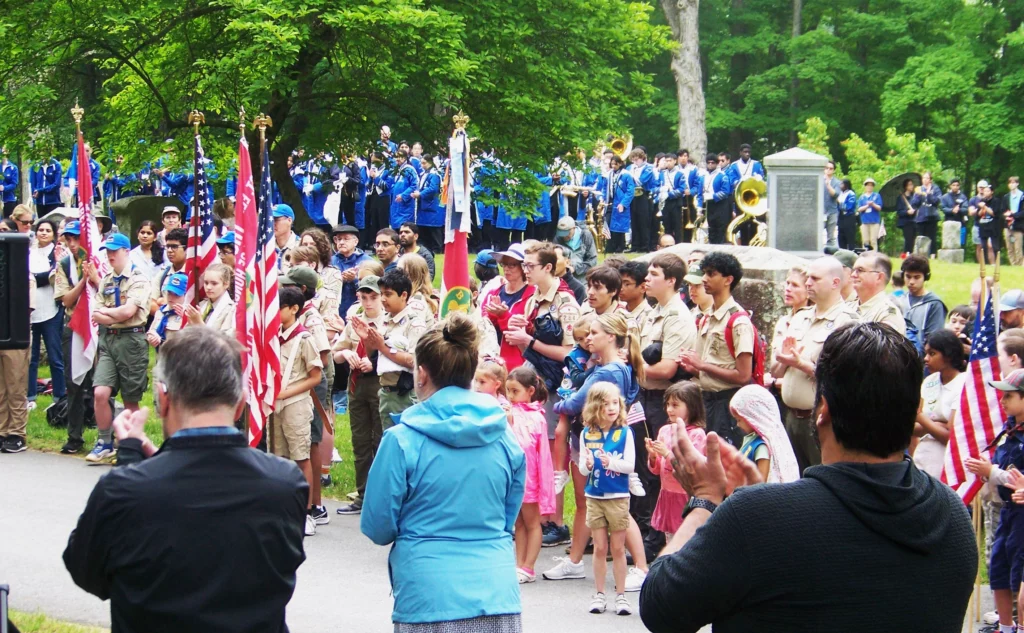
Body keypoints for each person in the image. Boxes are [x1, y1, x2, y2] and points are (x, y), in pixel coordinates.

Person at [639, 322, 977, 633]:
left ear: (822, 410)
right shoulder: (953, 516)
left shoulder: (758, 518)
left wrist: (705, 500)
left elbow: (660, 606)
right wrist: (755, 509)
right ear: (915, 406)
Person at [63, 327, 308, 633]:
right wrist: (152, 468)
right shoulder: (286, 484)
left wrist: (134, 466)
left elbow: (89, 572)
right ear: (241, 403)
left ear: (164, 399)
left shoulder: (125, 490)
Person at [361, 312, 526, 632]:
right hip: (497, 593)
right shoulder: (505, 438)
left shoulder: (401, 441)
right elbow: (507, 519)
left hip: (429, 597)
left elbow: (378, 526)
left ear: (421, 374)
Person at [773, 257, 858, 473]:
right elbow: (775, 369)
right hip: (790, 416)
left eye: (815, 278)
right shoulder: (800, 318)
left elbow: (843, 376)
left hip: (821, 419)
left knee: (822, 478)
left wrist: (801, 364)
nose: (808, 283)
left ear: (835, 283)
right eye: (808, 278)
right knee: (791, 478)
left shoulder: (846, 322)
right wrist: (783, 362)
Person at [637, 252, 697, 556]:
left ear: (672, 280)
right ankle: (649, 532)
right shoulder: (653, 312)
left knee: (663, 471)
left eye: (654, 274)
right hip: (645, 396)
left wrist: (632, 365)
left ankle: (658, 540)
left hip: (664, 398)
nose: (646, 279)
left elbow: (668, 368)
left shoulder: (676, 315)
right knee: (647, 467)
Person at [966, 369, 1024, 633]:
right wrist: (985, 471)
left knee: (1020, 575)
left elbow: (1013, 475)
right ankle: (1006, 626)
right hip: (1009, 510)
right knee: (999, 566)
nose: (1002, 401)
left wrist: (991, 472)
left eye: (1009, 396)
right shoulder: (1009, 429)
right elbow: (1003, 464)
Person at [88, 233, 152, 464]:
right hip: (109, 340)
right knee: (100, 393)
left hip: (131, 341)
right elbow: (95, 314)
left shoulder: (138, 279)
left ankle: (132, 445)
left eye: (115, 250)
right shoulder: (105, 280)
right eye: (108, 250)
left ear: (126, 251)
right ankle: (104, 441)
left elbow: (128, 312)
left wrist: (108, 314)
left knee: (130, 399)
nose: (110, 255)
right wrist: (111, 315)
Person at [679, 252, 752, 448]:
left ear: (728, 280)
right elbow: (709, 367)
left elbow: (743, 375)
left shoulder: (738, 321)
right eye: (704, 273)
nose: (704, 279)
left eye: (711, 274)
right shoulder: (706, 317)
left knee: (727, 463)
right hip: (707, 400)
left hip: (728, 403)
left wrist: (702, 365)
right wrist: (694, 366)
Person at [579, 382, 636, 616]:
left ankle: (621, 596)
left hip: (618, 497)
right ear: (595, 406)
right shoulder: (586, 433)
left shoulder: (625, 432)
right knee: (600, 547)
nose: (612, 407)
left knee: (618, 548)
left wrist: (609, 462)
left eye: (615, 402)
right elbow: (583, 468)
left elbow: (630, 465)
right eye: (606, 404)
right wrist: (589, 465)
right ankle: (600, 594)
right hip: (594, 496)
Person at [332, 275, 386, 514]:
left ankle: (381, 497)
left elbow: (396, 352)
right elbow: (336, 352)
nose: (368, 303)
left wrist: (373, 361)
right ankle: (362, 495)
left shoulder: (387, 321)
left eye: (373, 297)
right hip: (356, 385)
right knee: (360, 441)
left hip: (379, 383)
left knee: (380, 441)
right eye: (364, 297)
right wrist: (347, 355)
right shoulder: (355, 321)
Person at [273, 285, 323, 536]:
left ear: (294, 309)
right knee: (280, 457)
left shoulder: (304, 338)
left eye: (279, 307)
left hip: (296, 403)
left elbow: (315, 376)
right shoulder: (274, 336)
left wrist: (286, 392)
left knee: (300, 456)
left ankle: (305, 512)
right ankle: (283, 508)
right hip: (276, 404)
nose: (275, 312)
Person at [355, 268, 427, 429]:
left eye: (388, 294)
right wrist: (367, 340)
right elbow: (374, 356)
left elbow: (414, 361)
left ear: (403, 295)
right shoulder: (386, 320)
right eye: (382, 294)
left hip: (405, 393)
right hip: (386, 391)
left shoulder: (414, 323)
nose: (383, 299)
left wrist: (382, 346)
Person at [505, 366, 555, 584]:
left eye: (515, 391)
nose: (510, 396)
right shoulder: (508, 412)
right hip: (513, 478)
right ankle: (519, 565)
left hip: (530, 479)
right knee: (519, 524)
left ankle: (529, 566)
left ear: (530, 391)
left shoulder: (537, 417)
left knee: (533, 522)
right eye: (508, 391)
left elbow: (540, 452)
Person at [646, 382, 707, 541]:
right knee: (670, 538)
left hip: (685, 496)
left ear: (691, 407)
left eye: (675, 405)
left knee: (687, 538)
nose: (669, 409)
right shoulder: (665, 431)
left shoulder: (697, 435)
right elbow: (657, 469)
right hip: (667, 494)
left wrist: (666, 454)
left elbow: (691, 467)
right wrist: (653, 456)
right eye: (667, 404)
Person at [912, 330, 966, 478]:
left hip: (947, 464)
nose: (926, 359)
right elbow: (914, 429)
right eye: (926, 353)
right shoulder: (930, 381)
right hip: (923, 458)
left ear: (948, 355)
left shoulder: (963, 383)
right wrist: (937, 425)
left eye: (933, 353)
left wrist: (922, 418)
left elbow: (950, 435)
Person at [28, 218, 66, 411]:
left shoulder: (58, 253)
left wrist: (37, 277)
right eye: (40, 230)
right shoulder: (28, 253)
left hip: (52, 310)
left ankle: (60, 395)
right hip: (31, 310)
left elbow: (54, 275)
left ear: (54, 234)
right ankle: (30, 395)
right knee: (31, 356)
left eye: (47, 230)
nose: (43, 233)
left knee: (55, 356)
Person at [731, 384, 800, 483]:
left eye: (739, 420)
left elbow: (761, 482)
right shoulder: (751, 439)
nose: (737, 424)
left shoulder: (762, 447)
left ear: (753, 416)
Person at [769, 265, 809, 394]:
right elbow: (774, 369)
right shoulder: (782, 322)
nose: (788, 289)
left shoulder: (811, 322)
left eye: (795, 285)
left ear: (808, 291)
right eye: (787, 283)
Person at [851, 251, 906, 334]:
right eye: (854, 270)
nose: (853, 275)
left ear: (879, 277)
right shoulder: (849, 306)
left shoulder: (887, 314)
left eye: (860, 270)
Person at [901, 255, 947, 343]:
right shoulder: (900, 300)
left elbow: (934, 338)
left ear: (925, 277)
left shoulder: (934, 303)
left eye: (917, 277)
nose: (911, 282)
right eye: (908, 276)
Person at [185, 263, 235, 335]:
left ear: (226, 284)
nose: (208, 287)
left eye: (214, 283)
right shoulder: (201, 304)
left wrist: (200, 324)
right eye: (206, 283)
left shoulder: (231, 309)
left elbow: (225, 341)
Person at [696, 154, 732, 245]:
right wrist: (699, 208)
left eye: (713, 163)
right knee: (711, 230)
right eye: (708, 163)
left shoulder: (722, 176)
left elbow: (725, 192)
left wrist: (713, 196)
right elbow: (700, 194)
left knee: (720, 230)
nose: (710, 165)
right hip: (709, 206)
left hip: (721, 206)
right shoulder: (703, 177)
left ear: (717, 164)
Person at [150, 228, 187, 316]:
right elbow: (151, 303)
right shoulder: (164, 273)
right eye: (167, 246)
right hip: (164, 321)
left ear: (186, 249)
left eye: (174, 247)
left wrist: (163, 301)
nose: (169, 250)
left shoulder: (193, 273)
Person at [628, 148, 658, 253]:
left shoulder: (649, 168)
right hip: (633, 196)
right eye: (633, 160)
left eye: (637, 160)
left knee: (644, 222)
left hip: (644, 196)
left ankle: (645, 246)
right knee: (634, 221)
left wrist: (630, 176)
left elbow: (641, 181)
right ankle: (634, 245)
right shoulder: (630, 168)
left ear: (642, 158)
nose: (635, 162)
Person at [146, 272, 188, 348]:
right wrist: (152, 337)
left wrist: (186, 319)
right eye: (169, 293)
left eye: (176, 294)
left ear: (186, 295)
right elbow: (151, 330)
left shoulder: (189, 314)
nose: (171, 297)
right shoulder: (161, 311)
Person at [555, 215, 598, 283]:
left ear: (574, 228)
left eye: (567, 233)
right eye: (562, 233)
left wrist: (575, 268)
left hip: (583, 277)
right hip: (563, 277)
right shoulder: (558, 238)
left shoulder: (585, 235)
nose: (564, 236)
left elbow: (593, 261)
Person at [971, 179, 1004, 265]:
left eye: (988, 191)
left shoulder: (996, 201)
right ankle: (984, 263)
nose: (986, 192)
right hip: (983, 226)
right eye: (985, 191)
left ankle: (997, 262)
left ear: (992, 192)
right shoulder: (982, 201)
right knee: (983, 246)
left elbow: (994, 213)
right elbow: (978, 215)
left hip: (993, 226)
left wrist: (985, 207)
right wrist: (982, 208)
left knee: (994, 246)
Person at [912, 171, 942, 256]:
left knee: (932, 236)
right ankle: (921, 254)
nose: (925, 180)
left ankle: (932, 254)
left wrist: (929, 194)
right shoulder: (919, 189)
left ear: (930, 180)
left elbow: (936, 201)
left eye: (927, 178)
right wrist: (918, 195)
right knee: (921, 236)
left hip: (932, 216)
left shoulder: (935, 189)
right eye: (923, 178)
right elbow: (914, 203)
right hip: (921, 216)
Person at [855, 177, 883, 250]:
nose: (869, 187)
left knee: (873, 240)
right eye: (868, 185)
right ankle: (865, 256)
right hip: (864, 221)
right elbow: (859, 209)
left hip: (874, 221)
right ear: (865, 186)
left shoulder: (876, 196)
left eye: (871, 185)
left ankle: (874, 256)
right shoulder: (862, 197)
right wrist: (867, 206)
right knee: (865, 240)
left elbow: (879, 208)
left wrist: (873, 204)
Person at [942, 178, 969, 247]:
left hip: (961, 223)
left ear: (959, 186)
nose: (955, 187)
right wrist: (952, 210)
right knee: (949, 244)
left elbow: (966, 209)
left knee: (961, 244)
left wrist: (959, 210)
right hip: (949, 223)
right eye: (953, 185)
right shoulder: (945, 197)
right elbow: (943, 208)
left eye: (957, 185)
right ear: (950, 186)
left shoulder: (963, 197)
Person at [895, 178, 917, 256]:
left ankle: (911, 254)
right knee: (908, 239)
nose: (912, 186)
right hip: (905, 222)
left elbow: (917, 206)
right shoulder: (900, 198)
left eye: (912, 184)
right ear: (906, 186)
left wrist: (914, 211)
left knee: (913, 239)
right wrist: (907, 212)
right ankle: (906, 254)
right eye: (910, 184)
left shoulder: (915, 196)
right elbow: (899, 211)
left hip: (914, 221)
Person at [822, 160, 841, 248]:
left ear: (833, 170)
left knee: (831, 237)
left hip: (832, 211)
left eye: (831, 168)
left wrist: (828, 185)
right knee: (816, 234)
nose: (828, 170)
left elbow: (836, 194)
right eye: (827, 168)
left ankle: (830, 256)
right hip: (820, 212)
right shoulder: (818, 179)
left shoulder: (837, 182)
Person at [836, 178, 859, 250]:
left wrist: (839, 203)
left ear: (846, 185)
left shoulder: (851, 194)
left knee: (850, 236)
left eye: (842, 184)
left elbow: (849, 206)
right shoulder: (840, 194)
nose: (840, 186)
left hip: (849, 218)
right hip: (841, 217)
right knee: (841, 237)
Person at [1006, 177, 1024, 266]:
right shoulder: (1006, 197)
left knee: (1018, 247)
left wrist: (1013, 215)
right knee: (1009, 248)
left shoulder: (1022, 196)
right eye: (1010, 183)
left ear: (1017, 184)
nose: (1011, 185)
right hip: (1008, 225)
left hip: (1018, 226)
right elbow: (1002, 210)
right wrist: (1006, 215)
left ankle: (1020, 265)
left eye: (1013, 183)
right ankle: (1013, 265)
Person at [1, 151, 20, 217]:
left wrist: (4, 188)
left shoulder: (13, 168)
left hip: (9, 199)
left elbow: (14, 184)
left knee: (8, 221)